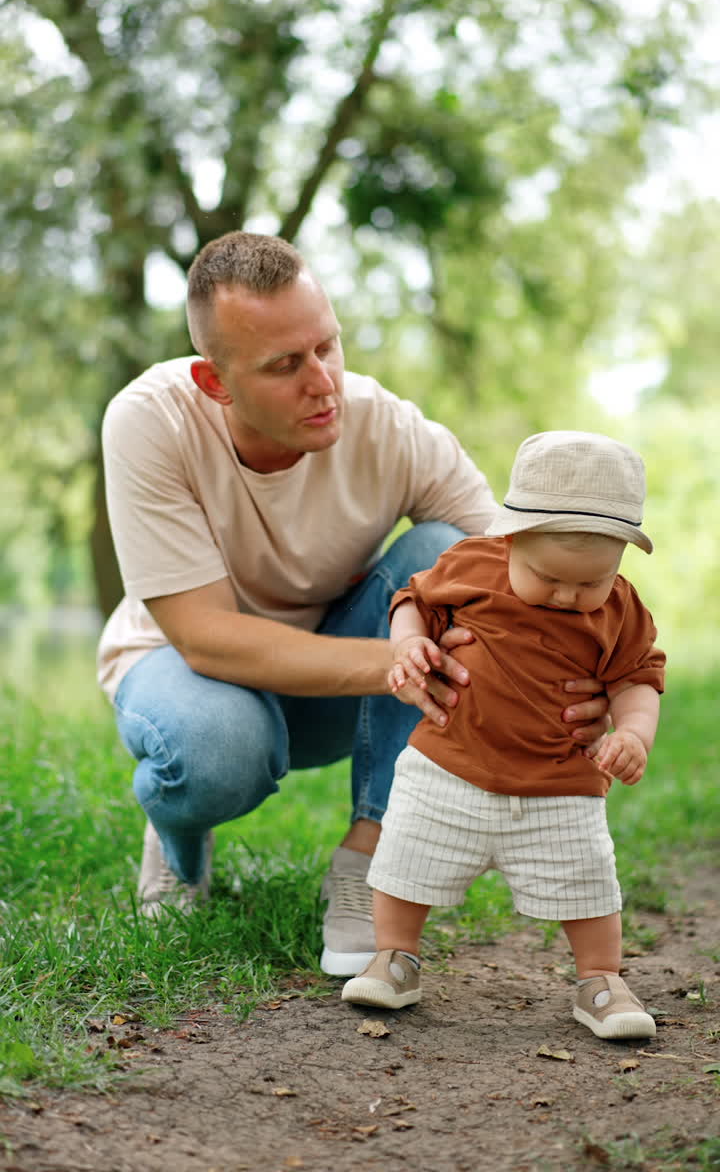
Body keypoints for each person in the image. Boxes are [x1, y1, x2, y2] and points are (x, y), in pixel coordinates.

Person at [96, 232, 610, 977]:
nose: (324, 382)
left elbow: (515, 561)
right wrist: (397, 659)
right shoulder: (151, 421)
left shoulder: (387, 425)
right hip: (188, 675)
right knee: (212, 752)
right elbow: (205, 638)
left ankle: (371, 854)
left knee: (441, 551)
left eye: (327, 347)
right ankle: (179, 849)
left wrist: (599, 675)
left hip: (338, 696)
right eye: (285, 366)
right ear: (216, 382)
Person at [341, 431, 665, 1040]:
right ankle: (395, 957)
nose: (569, 596)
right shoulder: (470, 565)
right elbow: (412, 600)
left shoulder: (621, 609)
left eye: (590, 583)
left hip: (561, 782)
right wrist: (410, 644)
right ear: (509, 537)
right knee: (405, 860)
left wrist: (635, 733)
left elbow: (639, 677)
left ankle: (600, 979)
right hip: (448, 765)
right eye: (548, 577)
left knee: (588, 881)